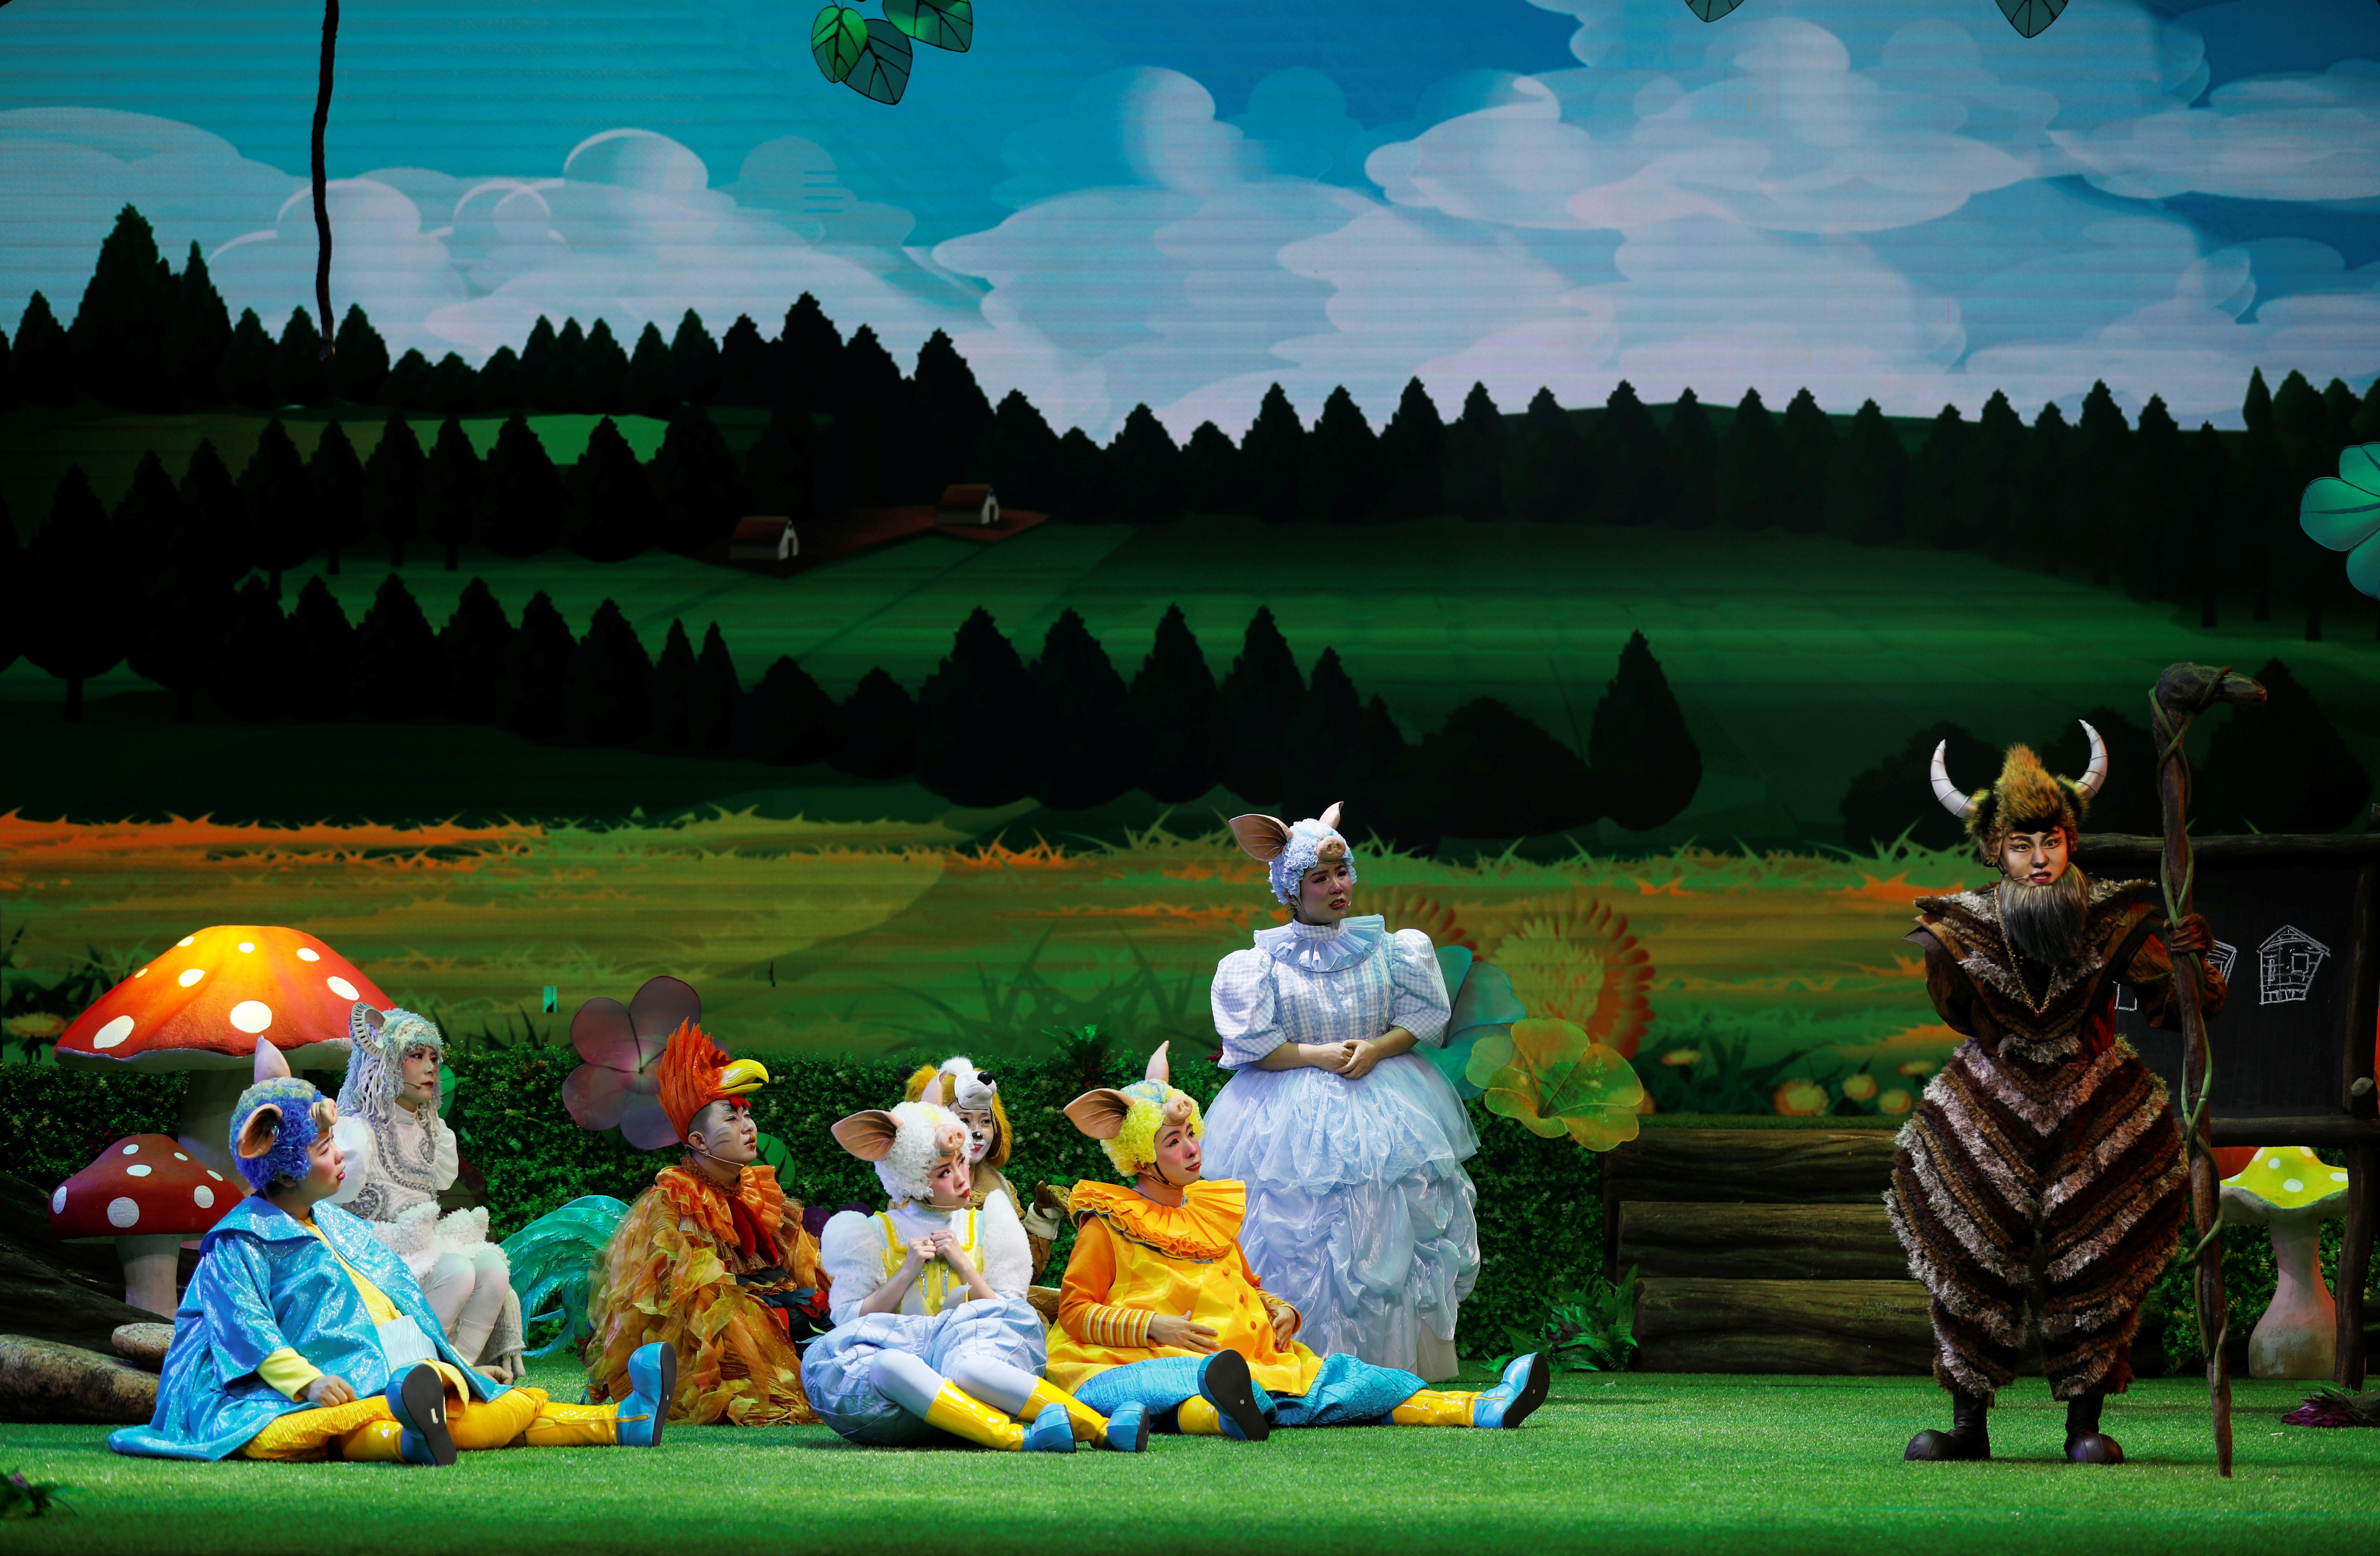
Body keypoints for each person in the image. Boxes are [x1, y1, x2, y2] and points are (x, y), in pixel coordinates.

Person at [1891, 727, 2226, 1465]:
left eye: (2051, 841)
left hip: (2093, 1096)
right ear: (1996, 851)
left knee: (2097, 1248)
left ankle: (2084, 1424)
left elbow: (2184, 1004)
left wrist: (2189, 961)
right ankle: (1966, 1425)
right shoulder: (1959, 928)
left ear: (2069, 841)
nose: (2039, 858)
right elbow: (1959, 1013)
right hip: (1991, 1092)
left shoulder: (2112, 916)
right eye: (2021, 845)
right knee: (1969, 1240)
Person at [110, 1039, 673, 1465]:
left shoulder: (332, 1221)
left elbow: (386, 1291)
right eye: (324, 1149)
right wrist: (307, 1382)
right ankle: (413, 1437)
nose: (340, 1156)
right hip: (260, 1390)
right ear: (284, 1166)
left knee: (484, 1405)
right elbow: (245, 1327)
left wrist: (439, 1355)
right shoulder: (240, 1240)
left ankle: (622, 1421)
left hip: (366, 1366)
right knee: (326, 1427)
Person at [1047, 1043, 1548, 1438]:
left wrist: (1280, 1310)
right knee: (1182, 1389)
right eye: (1172, 1141)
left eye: (1191, 1134)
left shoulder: (1207, 1213)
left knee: (1360, 1383)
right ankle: (1232, 1409)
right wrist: (1153, 1325)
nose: (1192, 1149)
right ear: (1140, 1156)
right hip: (1142, 1359)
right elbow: (1074, 1310)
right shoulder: (1108, 1222)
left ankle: (1481, 1408)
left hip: (1253, 1360)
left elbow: (1244, 1286)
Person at [1203, 802, 1479, 1379]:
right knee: (1298, 1230)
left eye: (1341, 872)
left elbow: (1421, 1019)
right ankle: (1295, 1362)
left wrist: (1376, 1048)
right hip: (1288, 1115)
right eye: (1320, 878)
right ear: (1291, 889)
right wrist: (1314, 1055)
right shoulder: (1259, 964)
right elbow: (1253, 1046)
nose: (1337, 887)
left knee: (1383, 1224)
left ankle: (1387, 1364)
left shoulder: (1390, 948)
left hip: (1382, 1106)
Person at [801, 1091, 1148, 1452]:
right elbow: (852, 1320)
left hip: (974, 1360)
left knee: (969, 1366)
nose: (962, 1179)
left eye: (962, 1162)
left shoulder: (989, 1223)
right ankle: (1020, 1439)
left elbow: (1005, 1311)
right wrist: (906, 1272)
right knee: (888, 1364)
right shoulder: (871, 1234)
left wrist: (964, 1265)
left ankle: (1102, 1428)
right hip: (901, 1395)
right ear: (914, 1178)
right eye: (944, 1172)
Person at [583, 1018, 827, 1425]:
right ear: (698, 1141)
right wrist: (762, 1305)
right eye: (731, 1118)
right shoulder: (674, 1200)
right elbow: (684, 1295)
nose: (748, 1127)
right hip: (705, 1331)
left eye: (747, 1114)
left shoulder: (756, 1190)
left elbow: (800, 1264)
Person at [331, 1003, 524, 1380]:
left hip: (423, 1246)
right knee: (457, 1270)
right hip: (370, 1251)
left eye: (434, 1057)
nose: (431, 1067)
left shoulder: (432, 1131)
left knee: (493, 1267)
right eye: (416, 1056)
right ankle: (411, 1371)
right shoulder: (356, 1132)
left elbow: (440, 1182)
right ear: (386, 1063)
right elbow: (331, 1204)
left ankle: (459, 1370)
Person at [901, 1055, 1067, 1278]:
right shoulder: (914, 1192)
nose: (977, 1133)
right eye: (964, 1121)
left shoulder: (1003, 1192)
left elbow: (1020, 1276)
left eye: (986, 1121)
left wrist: (1042, 1216)